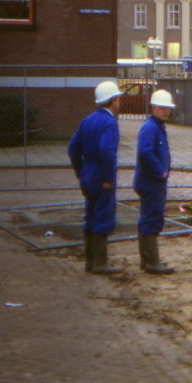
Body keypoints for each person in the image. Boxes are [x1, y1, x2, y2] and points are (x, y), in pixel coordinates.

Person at [68, 81, 124, 275]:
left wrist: (81, 172)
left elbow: (72, 149)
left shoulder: (87, 120)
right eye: (118, 98)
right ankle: (100, 263)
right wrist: (109, 177)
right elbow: (107, 151)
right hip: (101, 175)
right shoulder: (110, 123)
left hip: (88, 174)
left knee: (90, 217)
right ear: (113, 100)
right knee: (103, 216)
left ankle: (90, 263)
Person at [134, 90, 176, 275]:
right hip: (151, 182)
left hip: (151, 181)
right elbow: (145, 152)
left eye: (167, 108)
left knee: (147, 218)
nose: (165, 111)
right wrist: (160, 172)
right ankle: (152, 262)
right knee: (152, 218)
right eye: (162, 107)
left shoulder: (156, 126)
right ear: (153, 107)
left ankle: (147, 260)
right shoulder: (151, 128)